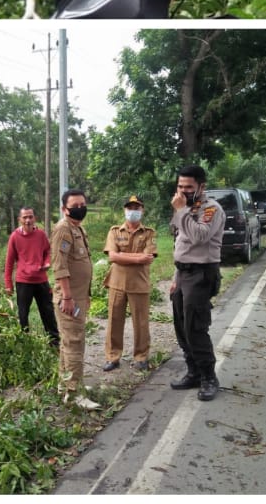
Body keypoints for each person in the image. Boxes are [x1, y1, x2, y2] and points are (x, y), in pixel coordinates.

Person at [169, 165, 225, 401]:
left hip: (201, 273)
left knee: (195, 326)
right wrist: (175, 277)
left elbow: (200, 236)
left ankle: (209, 377)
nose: (183, 191)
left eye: (188, 187)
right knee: (181, 326)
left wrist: (181, 211)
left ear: (201, 186)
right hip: (183, 274)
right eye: (180, 186)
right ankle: (193, 371)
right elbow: (180, 241)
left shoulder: (211, 209)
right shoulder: (187, 208)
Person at [50, 189, 99, 409]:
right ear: (64, 209)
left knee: (68, 342)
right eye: (75, 205)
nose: (80, 208)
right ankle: (73, 393)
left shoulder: (78, 229)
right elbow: (59, 266)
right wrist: (68, 297)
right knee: (74, 343)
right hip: (69, 299)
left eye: (82, 204)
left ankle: (65, 383)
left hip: (79, 297)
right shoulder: (63, 229)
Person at [103, 194, 158, 372]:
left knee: (141, 323)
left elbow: (148, 258)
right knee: (114, 322)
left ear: (142, 210)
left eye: (137, 208)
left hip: (139, 284)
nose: (133, 211)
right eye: (130, 208)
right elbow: (112, 256)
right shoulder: (114, 231)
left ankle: (141, 357)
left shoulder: (149, 233)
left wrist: (122, 257)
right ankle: (113, 357)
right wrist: (137, 257)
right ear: (124, 210)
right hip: (117, 283)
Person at [4, 206, 60, 350]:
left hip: (41, 280)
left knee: (48, 312)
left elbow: (47, 251)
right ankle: (25, 343)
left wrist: (47, 262)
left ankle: (54, 343)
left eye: (30, 217)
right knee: (23, 314)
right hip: (23, 282)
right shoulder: (15, 237)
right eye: (25, 217)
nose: (28, 220)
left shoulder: (41, 235)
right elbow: (9, 262)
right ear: (20, 219)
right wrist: (8, 284)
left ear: (34, 218)